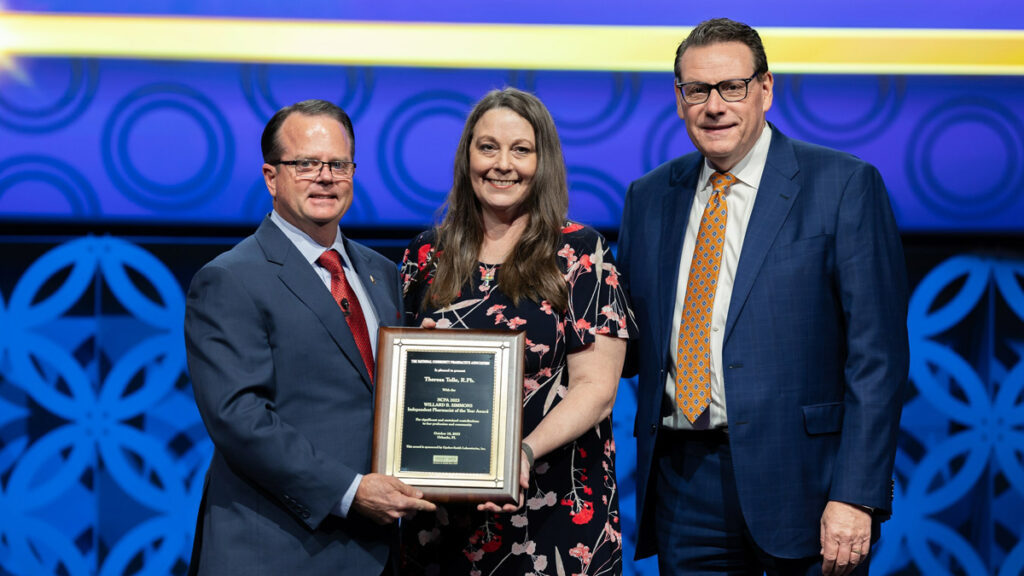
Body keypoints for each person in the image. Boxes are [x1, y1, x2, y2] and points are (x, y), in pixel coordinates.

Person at [618, 18, 909, 576]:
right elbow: (626, 343)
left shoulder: (844, 185)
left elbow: (878, 360)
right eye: (696, 90)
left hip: (806, 486)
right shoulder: (650, 197)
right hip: (684, 486)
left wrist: (857, 495)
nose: (714, 106)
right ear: (679, 100)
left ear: (765, 89)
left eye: (732, 87)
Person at [184, 99, 435, 575]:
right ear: (270, 176)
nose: (325, 176)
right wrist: (350, 492)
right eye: (305, 164)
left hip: (377, 552)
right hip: (276, 549)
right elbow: (240, 418)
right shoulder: (230, 278)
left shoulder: (383, 274)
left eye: (338, 164)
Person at [399, 87, 637, 575]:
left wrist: (521, 453)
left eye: (520, 150)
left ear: (542, 160)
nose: (502, 164)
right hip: (444, 521)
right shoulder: (425, 256)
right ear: (468, 156)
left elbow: (597, 389)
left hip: (557, 515)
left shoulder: (580, 253)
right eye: (488, 147)